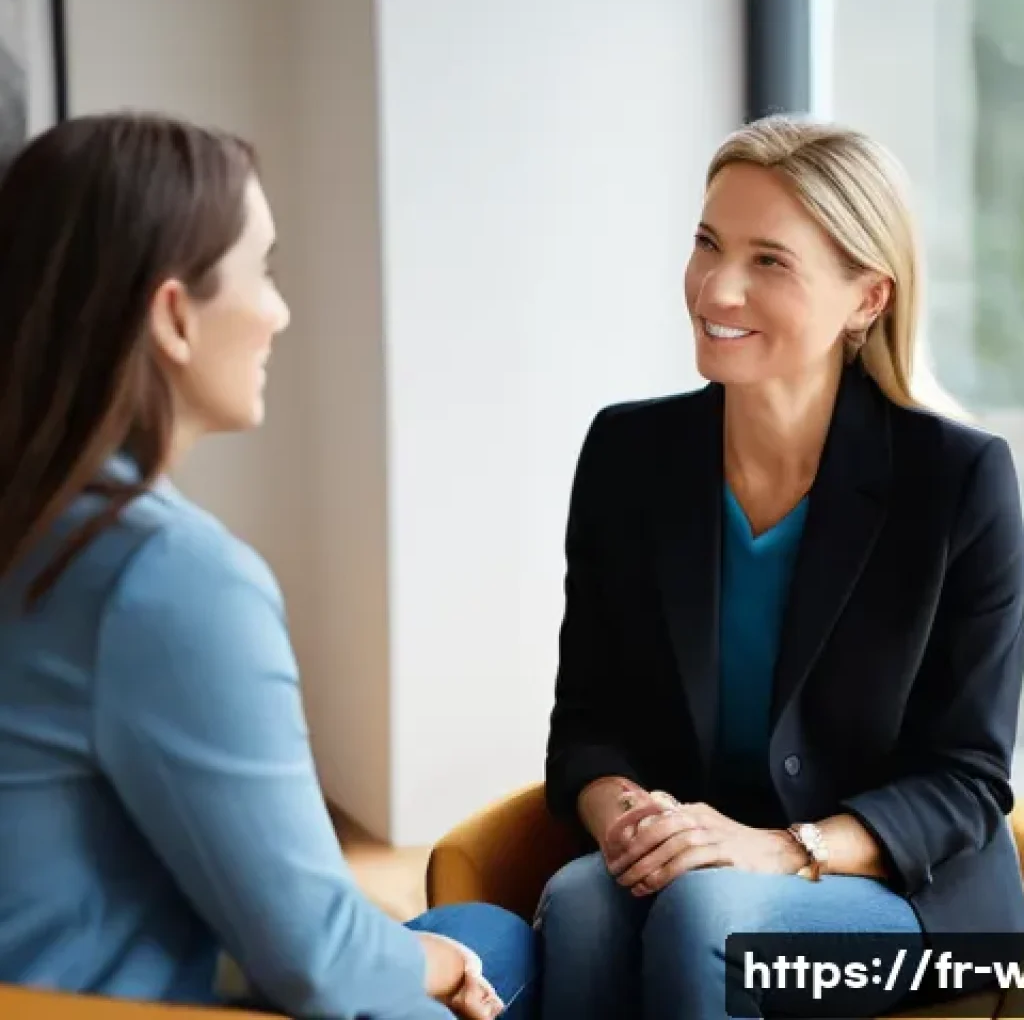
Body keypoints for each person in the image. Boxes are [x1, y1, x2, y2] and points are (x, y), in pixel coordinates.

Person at [0, 112, 536, 1020]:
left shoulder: (38, 527)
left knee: (464, 932)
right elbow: (316, 962)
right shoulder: (164, 577)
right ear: (174, 315)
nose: (281, 312)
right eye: (267, 270)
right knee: (494, 949)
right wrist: (438, 967)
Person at [536, 114, 1024, 1019]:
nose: (716, 287)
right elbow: (588, 722)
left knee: (706, 912)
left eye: (770, 260)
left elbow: (968, 778)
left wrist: (786, 849)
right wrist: (632, 824)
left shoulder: (960, 483)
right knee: (581, 909)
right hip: (701, 867)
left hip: (927, 913)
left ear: (867, 299)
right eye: (707, 244)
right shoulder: (626, 454)